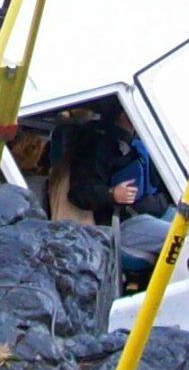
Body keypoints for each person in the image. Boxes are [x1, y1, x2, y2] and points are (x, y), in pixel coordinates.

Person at [65, 100, 175, 262]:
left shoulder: (142, 138)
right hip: (125, 221)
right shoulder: (98, 143)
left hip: (158, 209)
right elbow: (78, 191)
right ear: (123, 113)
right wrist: (112, 194)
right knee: (183, 240)